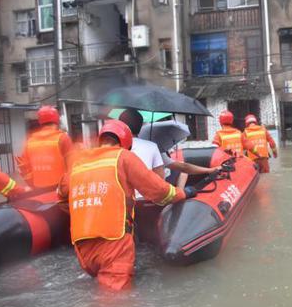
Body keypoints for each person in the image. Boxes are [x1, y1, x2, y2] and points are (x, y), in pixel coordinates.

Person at [58, 120, 194, 291]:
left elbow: (62, 199)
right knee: (116, 303)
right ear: (126, 143)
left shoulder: (78, 163)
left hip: (82, 245)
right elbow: (159, 191)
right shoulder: (124, 157)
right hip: (113, 243)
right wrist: (183, 193)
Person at [17, 105, 73, 190]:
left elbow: (24, 167)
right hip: (60, 190)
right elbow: (73, 166)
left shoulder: (30, 141)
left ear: (40, 121)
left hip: (38, 191)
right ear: (57, 120)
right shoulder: (62, 138)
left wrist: (32, 185)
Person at [119, 108, 165, 179]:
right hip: (147, 189)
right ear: (140, 126)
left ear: (121, 126)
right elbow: (160, 177)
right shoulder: (152, 146)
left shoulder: (114, 147)